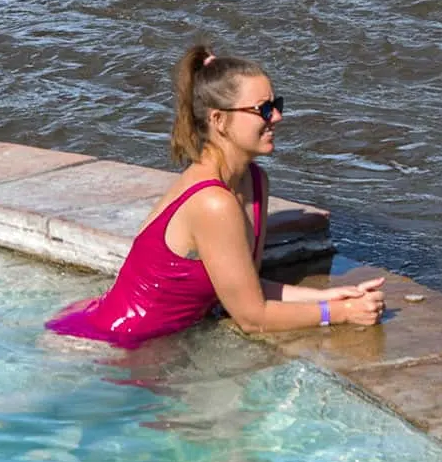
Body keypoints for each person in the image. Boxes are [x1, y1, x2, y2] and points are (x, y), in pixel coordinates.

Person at [45, 42, 385, 348]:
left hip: (140, 341)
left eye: (277, 104)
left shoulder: (254, 180)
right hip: (105, 346)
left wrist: (326, 296)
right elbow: (252, 319)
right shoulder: (213, 202)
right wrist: (338, 313)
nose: (277, 117)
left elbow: (245, 288)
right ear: (219, 120)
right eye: (263, 109)